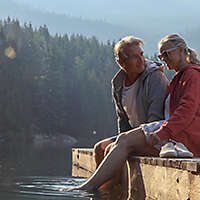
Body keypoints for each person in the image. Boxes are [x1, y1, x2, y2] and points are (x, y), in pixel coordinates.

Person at [64, 33, 200, 191]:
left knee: (124, 142)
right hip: (178, 135)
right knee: (116, 143)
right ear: (121, 63)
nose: (163, 58)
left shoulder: (192, 75)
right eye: (160, 55)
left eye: (166, 54)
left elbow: (186, 113)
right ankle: (105, 191)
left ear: (181, 51)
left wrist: (163, 133)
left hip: (188, 139)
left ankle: (91, 188)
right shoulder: (180, 77)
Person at [94, 36, 168, 169]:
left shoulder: (155, 77)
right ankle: (108, 189)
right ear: (121, 63)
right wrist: (124, 140)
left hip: (155, 137)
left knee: (111, 149)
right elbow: (122, 119)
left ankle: (109, 186)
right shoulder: (118, 83)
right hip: (132, 135)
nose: (141, 60)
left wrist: (128, 143)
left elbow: (156, 119)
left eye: (141, 54)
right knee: (99, 148)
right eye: (134, 57)